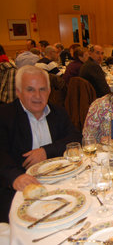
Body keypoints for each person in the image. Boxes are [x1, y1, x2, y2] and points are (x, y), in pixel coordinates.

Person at [0, 65, 81, 222]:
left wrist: (46, 151)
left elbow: (76, 138)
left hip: (61, 184)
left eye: (42, 89)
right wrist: (14, 177)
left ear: (49, 92)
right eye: (30, 89)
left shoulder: (58, 113)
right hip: (20, 192)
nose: (37, 96)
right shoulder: (5, 116)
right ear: (18, 92)